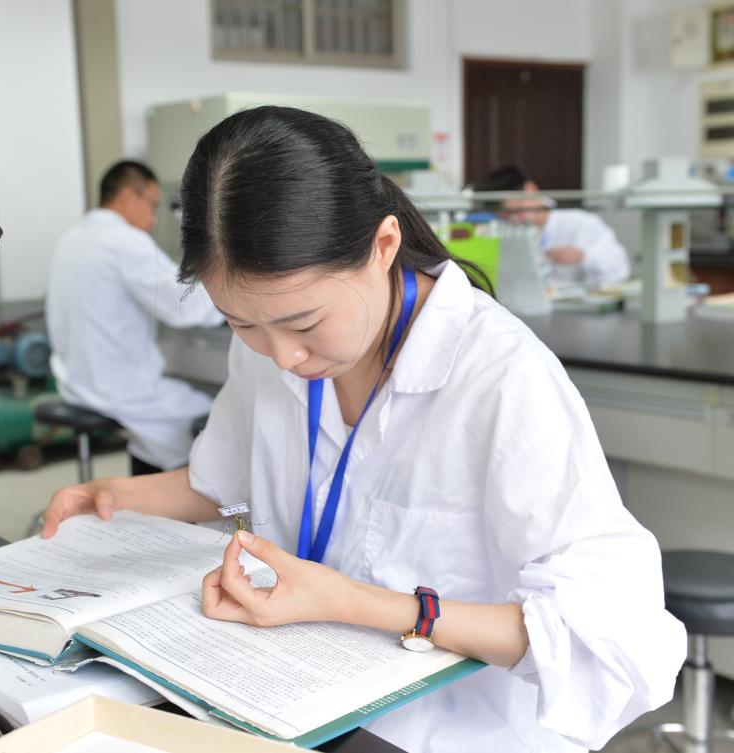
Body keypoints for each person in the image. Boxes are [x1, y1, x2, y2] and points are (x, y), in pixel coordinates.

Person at [41, 108, 683, 752]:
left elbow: (613, 643)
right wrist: (117, 497)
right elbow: (225, 480)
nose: (283, 356)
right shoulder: (269, 344)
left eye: (304, 323)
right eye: (241, 324)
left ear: (383, 246)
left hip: (452, 731)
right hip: (295, 699)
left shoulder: (501, 377)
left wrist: (353, 601)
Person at [46, 160, 224, 476]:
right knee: (218, 415)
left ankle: (146, 487)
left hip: (74, 381)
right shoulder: (124, 241)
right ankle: (180, 497)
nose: (153, 219)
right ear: (129, 195)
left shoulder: (70, 239)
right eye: (152, 205)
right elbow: (184, 306)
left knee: (163, 429)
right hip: (118, 388)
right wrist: (231, 290)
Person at [476, 165, 631, 288]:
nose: (515, 219)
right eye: (507, 217)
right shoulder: (505, 231)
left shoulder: (582, 222)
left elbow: (620, 270)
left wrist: (583, 256)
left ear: (530, 190)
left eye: (517, 211)